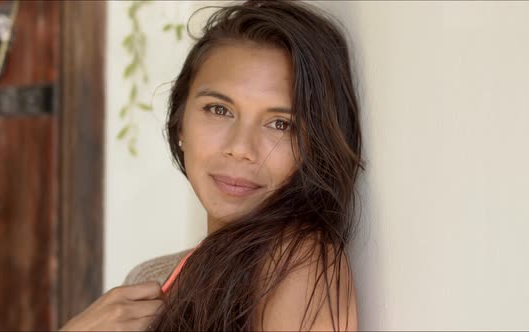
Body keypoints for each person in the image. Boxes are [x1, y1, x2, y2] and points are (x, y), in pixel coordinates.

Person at [61, 0, 364, 330]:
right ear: (180, 123)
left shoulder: (298, 265)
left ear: (314, 147)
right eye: (219, 110)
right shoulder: (150, 282)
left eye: (280, 124)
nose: (240, 148)